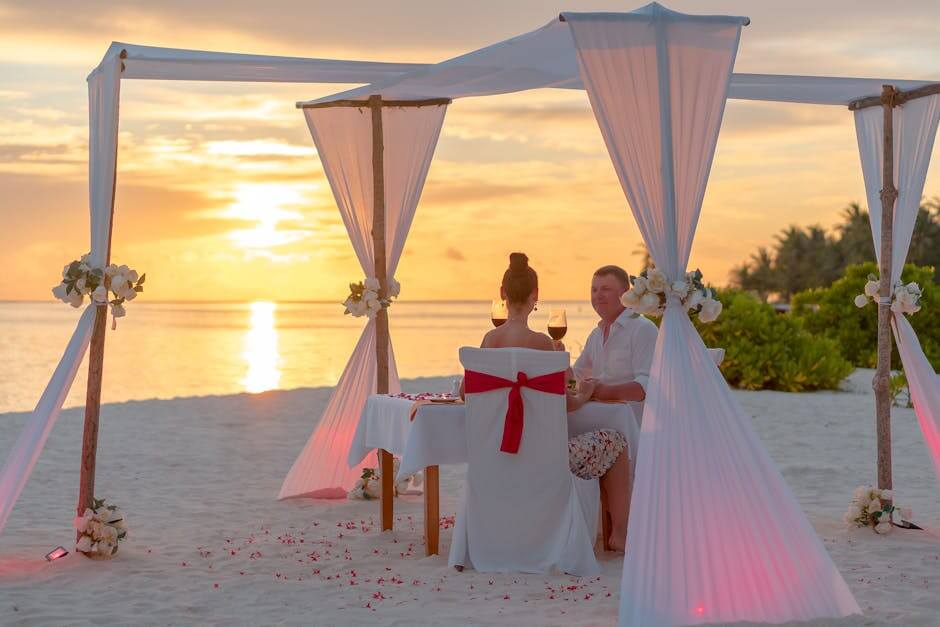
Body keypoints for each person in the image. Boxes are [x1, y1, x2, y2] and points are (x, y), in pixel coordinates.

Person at [473, 252, 631, 551]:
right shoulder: (544, 345)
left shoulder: (488, 341)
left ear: (502, 294)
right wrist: (584, 391)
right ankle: (620, 534)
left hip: (498, 455)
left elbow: (466, 394)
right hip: (545, 458)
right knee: (618, 442)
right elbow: (568, 400)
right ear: (536, 295)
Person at [566, 264, 658, 551]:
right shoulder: (597, 334)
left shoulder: (642, 329)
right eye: (594, 290)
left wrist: (607, 391)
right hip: (603, 421)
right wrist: (556, 360)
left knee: (611, 445)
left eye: (605, 289)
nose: (597, 296)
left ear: (625, 293)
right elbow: (577, 375)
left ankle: (622, 530)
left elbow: (646, 385)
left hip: (640, 424)